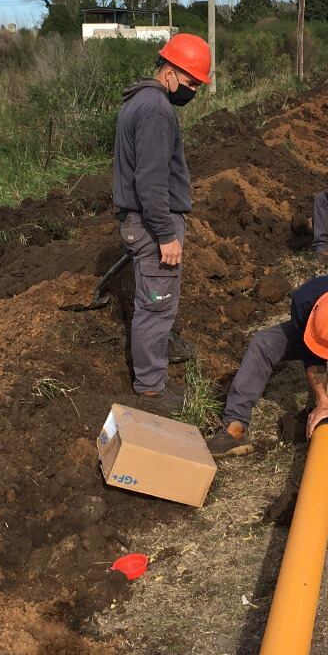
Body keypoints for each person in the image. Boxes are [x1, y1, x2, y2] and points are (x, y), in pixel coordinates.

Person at [113, 33, 211, 410]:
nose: (192, 92)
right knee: (156, 304)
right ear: (170, 71)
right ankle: (151, 388)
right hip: (153, 223)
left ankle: (159, 355)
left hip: (142, 220)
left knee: (158, 299)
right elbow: (151, 181)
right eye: (189, 84)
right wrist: (166, 235)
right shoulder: (156, 110)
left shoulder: (140, 101)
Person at [207, 275, 328, 457]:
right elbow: (312, 358)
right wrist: (322, 401)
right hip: (313, 334)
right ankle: (234, 425)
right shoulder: (305, 299)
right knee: (263, 343)